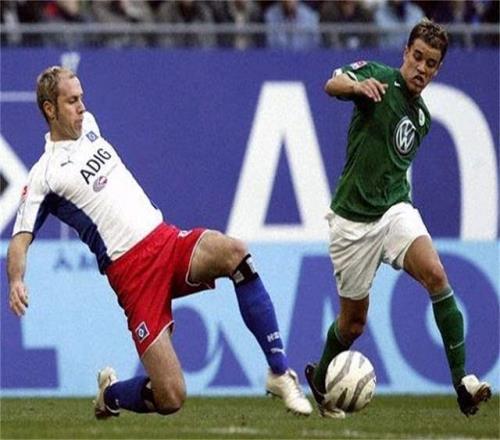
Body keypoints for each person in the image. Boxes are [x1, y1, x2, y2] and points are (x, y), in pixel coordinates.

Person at [6, 66, 312, 418]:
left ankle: (279, 371)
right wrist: (16, 280)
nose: (82, 107)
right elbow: (20, 239)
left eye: (82, 98)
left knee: (235, 254)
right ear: (50, 109)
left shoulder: (89, 126)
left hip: (166, 242)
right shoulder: (45, 176)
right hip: (134, 277)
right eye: (72, 101)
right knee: (171, 396)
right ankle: (111, 395)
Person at [304, 19, 492, 419]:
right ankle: (320, 381)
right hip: (352, 223)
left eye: (431, 63)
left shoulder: (421, 118)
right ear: (405, 52)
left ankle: (462, 382)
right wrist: (357, 88)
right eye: (417, 57)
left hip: (394, 211)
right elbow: (331, 84)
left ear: (438, 69)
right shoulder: (377, 77)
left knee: (436, 275)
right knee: (352, 325)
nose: (421, 68)